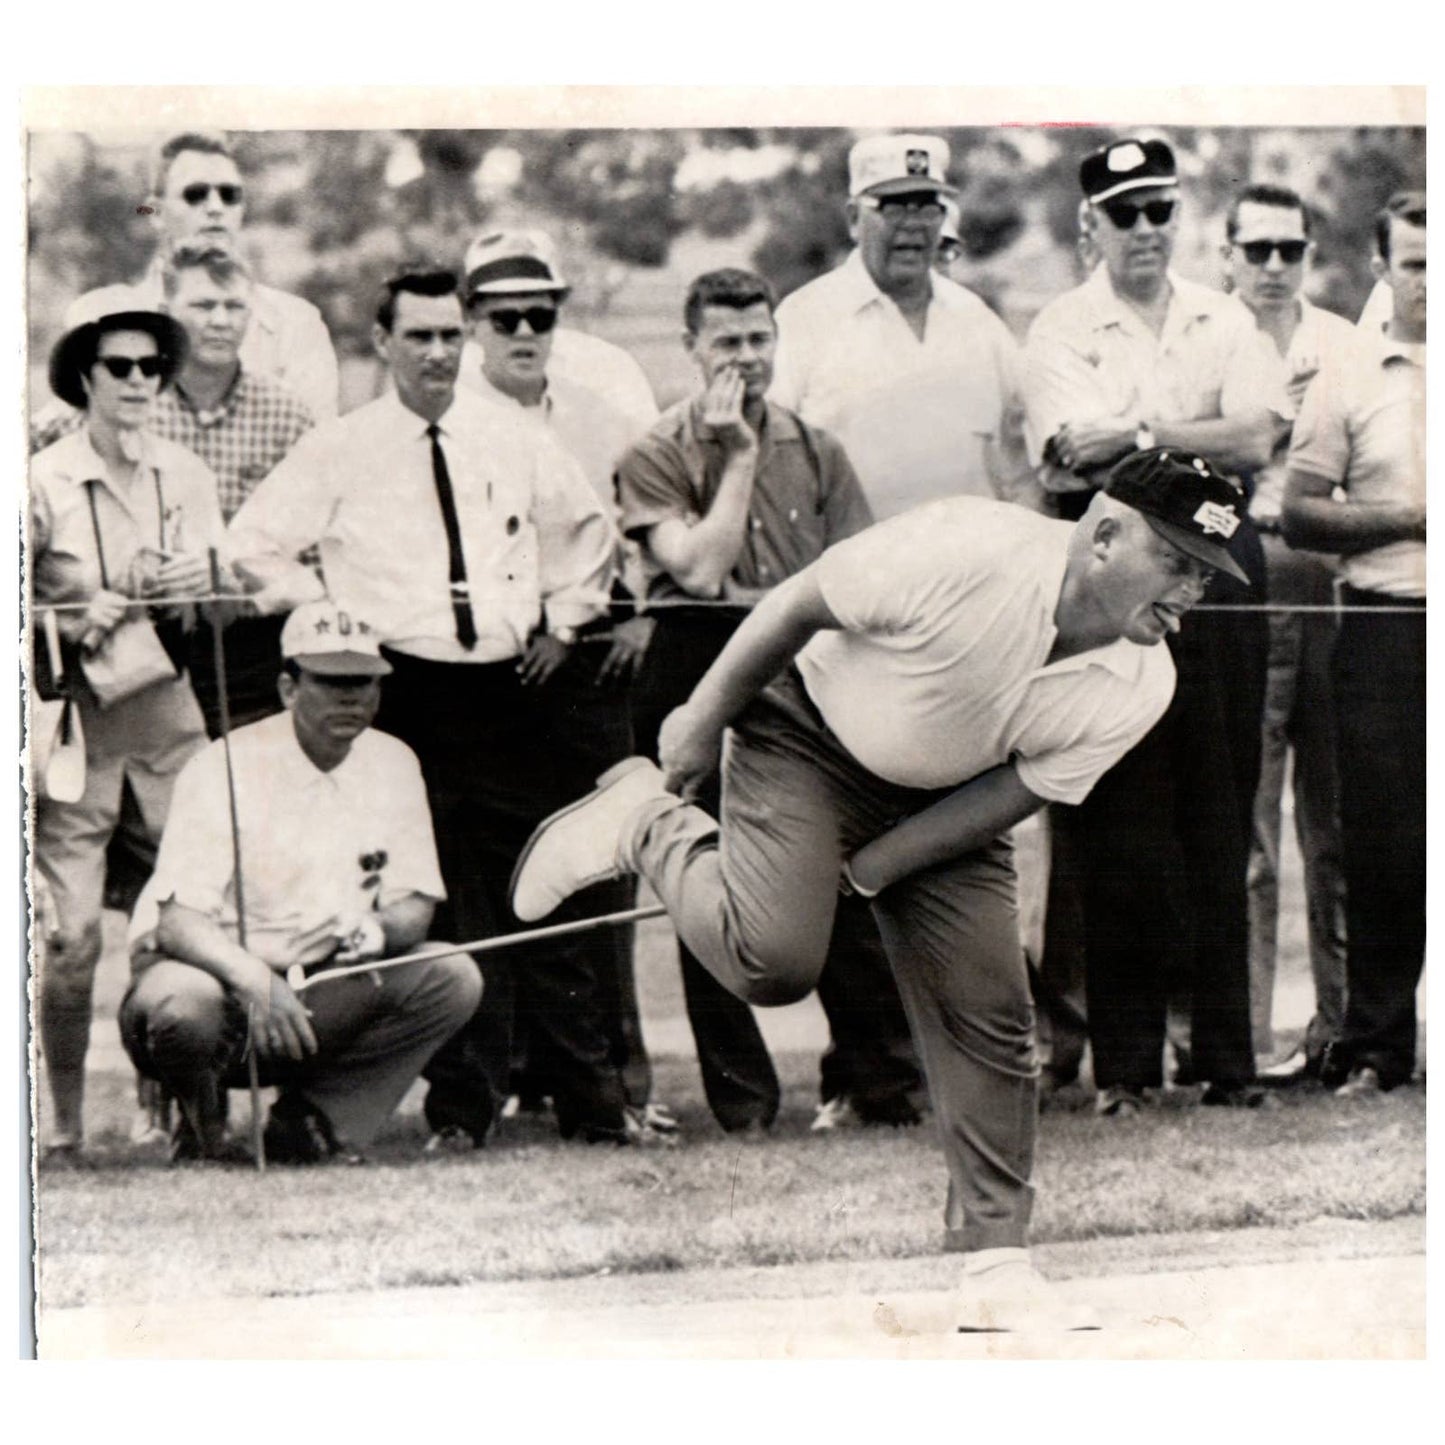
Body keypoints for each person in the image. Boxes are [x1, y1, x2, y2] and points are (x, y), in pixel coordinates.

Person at [513, 447, 1248, 1332]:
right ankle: (644, 824)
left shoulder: (1146, 679)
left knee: (990, 1010)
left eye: (1206, 574)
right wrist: (694, 730)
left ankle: (994, 1260)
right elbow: (792, 604)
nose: (1190, 592)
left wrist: (875, 866)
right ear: (1102, 535)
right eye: (1176, 562)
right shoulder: (967, 544)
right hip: (803, 731)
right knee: (774, 961)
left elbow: (1016, 790)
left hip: (949, 793)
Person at [226, 266, 647, 1150]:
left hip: (510, 685)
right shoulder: (342, 446)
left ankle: (593, 1107)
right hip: (407, 689)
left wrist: (564, 624)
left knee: (548, 889)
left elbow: (585, 534)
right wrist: (335, 615)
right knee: (446, 906)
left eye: (450, 334)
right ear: (382, 344)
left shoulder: (510, 436)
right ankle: (463, 1112)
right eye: (417, 336)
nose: (437, 353)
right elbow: (252, 544)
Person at [1023, 136, 1278, 1116]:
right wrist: (1179, 443)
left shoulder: (1222, 317)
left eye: (1156, 211)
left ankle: (1226, 1059)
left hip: (1218, 574)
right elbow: (1072, 463)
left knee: (1221, 819)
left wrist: (1133, 432)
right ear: (1090, 223)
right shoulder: (1061, 327)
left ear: (1178, 218)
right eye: (1122, 213)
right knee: (1119, 825)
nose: (1142, 230)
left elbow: (1254, 438)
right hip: (1117, 577)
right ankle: (1123, 1067)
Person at [618, 267, 893, 1134]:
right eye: (727, 342)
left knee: (846, 877)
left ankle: (875, 1083)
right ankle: (743, 1102)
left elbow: (858, 576)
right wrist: (734, 456)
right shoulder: (656, 452)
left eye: (759, 339)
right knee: (711, 881)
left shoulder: (819, 450)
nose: (746, 358)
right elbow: (697, 569)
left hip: (810, 671)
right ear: (693, 349)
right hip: (699, 669)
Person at [120, 600, 480, 1163]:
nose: (351, 698)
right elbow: (177, 921)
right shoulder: (225, 765)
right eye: (332, 682)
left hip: (319, 985)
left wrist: (379, 931)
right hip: (220, 986)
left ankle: (311, 1124)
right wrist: (254, 981)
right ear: (289, 688)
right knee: (184, 1007)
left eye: (364, 682)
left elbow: (416, 905)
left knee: (451, 974)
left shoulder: (394, 762)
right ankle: (203, 1132)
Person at [459, 227, 667, 1132]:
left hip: (586, 661)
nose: (522, 332)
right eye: (503, 316)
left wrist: (634, 613)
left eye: (539, 315)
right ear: (469, 320)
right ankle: (491, 1082)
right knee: (488, 874)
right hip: (483, 672)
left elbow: (650, 524)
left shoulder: (603, 407)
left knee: (599, 866)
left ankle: (614, 1082)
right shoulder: (447, 412)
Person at [30, 294, 224, 1158]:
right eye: (122, 367)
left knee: (188, 910)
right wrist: (69, 619)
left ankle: (180, 1110)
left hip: (168, 720)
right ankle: (62, 1122)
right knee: (71, 937)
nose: (141, 381)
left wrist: (192, 585)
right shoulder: (39, 479)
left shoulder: (184, 475)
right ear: (85, 376)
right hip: (75, 731)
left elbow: (221, 611)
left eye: (153, 366)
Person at [1282, 191, 1426, 1098]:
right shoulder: (1347, 372)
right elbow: (1299, 512)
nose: (1431, 278)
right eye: (1415, 261)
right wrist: (1410, 517)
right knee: (1381, 844)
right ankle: (1377, 1049)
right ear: (1381, 267)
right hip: (1385, 627)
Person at [1221, 184, 1353, 1076]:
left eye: (1289, 250)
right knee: (1248, 830)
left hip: (1333, 575)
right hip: (1240, 568)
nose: (1274, 267)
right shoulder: (1207, 341)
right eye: (1256, 249)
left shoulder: (1345, 343)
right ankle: (1242, 1038)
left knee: (1336, 822)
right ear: (1226, 253)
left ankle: (1341, 1034)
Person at [771, 132, 1030, 518]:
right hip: (852, 569)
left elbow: (1021, 461)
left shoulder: (976, 319)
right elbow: (771, 467)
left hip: (972, 566)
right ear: (854, 219)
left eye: (927, 207)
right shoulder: (805, 318)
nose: (913, 225)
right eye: (894, 207)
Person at [35, 131, 338, 438]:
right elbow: (68, 441)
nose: (216, 207)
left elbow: (317, 451)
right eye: (196, 194)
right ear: (156, 212)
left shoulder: (295, 322)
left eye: (229, 195)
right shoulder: (103, 312)